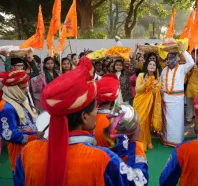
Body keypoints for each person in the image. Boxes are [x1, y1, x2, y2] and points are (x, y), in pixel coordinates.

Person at [14, 57, 148, 186]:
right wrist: (135, 142)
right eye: (95, 107)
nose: (97, 111)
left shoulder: (28, 152)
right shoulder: (102, 159)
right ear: (84, 116)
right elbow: (138, 181)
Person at [0, 69, 43, 172]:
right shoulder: (6, 107)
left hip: (31, 147)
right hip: (19, 151)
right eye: (23, 88)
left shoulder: (21, 101)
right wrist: (34, 136)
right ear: (14, 89)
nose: (26, 91)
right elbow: (8, 134)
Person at [160, 42, 194, 147]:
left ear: (176, 59)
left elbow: (192, 63)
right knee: (167, 122)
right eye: (168, 58)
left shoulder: (182, 68)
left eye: (171, 58)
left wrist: (183, 50)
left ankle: (177, 141)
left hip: (177, 100)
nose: (169, 60)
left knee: (177, 122)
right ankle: (166, 140)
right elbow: (161, 83)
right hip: (166, 99)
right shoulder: (164, 70)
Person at [94, 74, 129, 160]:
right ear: (113, 103)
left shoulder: (86, 121)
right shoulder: (117, 124)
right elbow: (124, 155)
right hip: (110, 168)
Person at [133, 59, 162, 151]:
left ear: (156, 68)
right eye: (150, 64)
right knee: (139, 122)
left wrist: (154, 85)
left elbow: (154, 93)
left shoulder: (156, 79)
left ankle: (145, 142)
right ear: (147, 65)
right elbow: (138, 90)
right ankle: (138, 143)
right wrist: (145, 83)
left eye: (154, 64)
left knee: (145, 123)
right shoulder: (141, 75)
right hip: (139, 102)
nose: (152, 65)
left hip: (148, 104)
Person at [185, 49, 198, 123]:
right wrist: (191, 70)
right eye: (193, 55)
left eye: (197, 56)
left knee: (197, 106)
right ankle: (188, 118)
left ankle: (197, 120)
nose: (194, 57)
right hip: (190, 88)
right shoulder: (190, 64)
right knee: (189, 105)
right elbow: (186, 74)